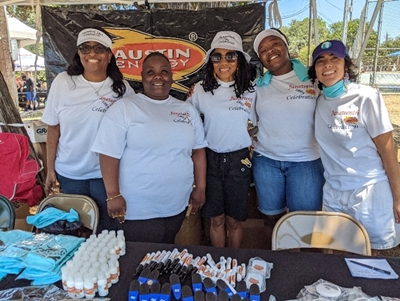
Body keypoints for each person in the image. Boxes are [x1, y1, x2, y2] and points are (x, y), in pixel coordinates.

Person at [91, 52, 207, 243]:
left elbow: (198, 151)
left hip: (176, 203)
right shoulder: (125, 108)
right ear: (142, 76)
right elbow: (108, 154)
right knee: (141, 260)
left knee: (166, 251)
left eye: (164, 71)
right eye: (150, 72)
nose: (158, 76)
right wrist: (113, 195)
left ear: (171, 76)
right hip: (138, 207)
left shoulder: (187, 110)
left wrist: (200, 187)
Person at [308, 40, 400, 251]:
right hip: (334, 193)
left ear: (346, 65)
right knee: (340, 254)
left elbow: (388, 151)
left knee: (373, 254)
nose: (327, 65)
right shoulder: (319, 101)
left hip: (368, 191)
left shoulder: (366, 96)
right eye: (320, 61)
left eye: (334, 58)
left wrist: (398, 198)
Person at [41, 27, 134, 233]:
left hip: (107, 176)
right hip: (70, 173)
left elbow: (134, 132)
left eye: (99, 48)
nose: (92, 53)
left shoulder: (123, 89)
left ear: (109, 55)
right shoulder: (64, 83)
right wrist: (50, 170)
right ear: (79, 54)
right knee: (76, 230)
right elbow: (53, 129)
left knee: (108, 231)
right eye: (85, 48)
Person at [252, 28, 325, 249]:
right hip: (267, 162)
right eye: (263, 50)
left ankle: (306, 268)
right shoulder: (257, 87)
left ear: (286, 45)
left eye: (274, 44)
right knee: (271, 219)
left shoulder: (313, 79)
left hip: (306, 163)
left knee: (304, 224)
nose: (270, 51)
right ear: (260, 59)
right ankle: (277, 261)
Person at [187, 31, 256, 248]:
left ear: (240, 61)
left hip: (239, 161)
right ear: (211, 62)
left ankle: (234, 265)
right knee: (216, 219)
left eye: (230, 56)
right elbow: (185, 123)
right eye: (217, 57)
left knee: (234, 221)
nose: (223, 62)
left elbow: (259, 124)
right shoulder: (199, 90)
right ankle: (219, 266)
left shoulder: (252, 91)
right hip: (210, 161)